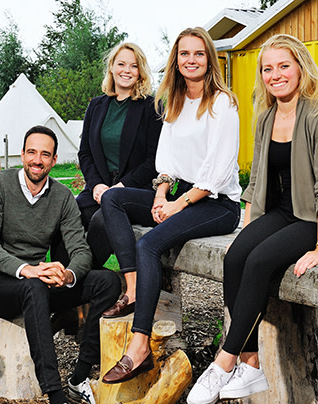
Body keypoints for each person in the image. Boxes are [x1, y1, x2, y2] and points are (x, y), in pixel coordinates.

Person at [185, 34, 318, 403]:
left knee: (258, 262)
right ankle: (251, 364)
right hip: (283, 213)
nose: (275, 75)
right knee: (236, 257)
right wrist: (247, 229)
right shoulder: (267, 117)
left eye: (284, 66)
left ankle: (224, 362)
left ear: (301, 68)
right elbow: (256, 181)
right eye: (267, 69)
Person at [100, 27, 242, 384]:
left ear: (209, 60)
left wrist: (178, 205)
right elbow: (166, 162)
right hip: (181, 195)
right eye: (184, 54)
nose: (191, 60)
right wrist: (161, 195)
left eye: (198, 54)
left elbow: (217, 171)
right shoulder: (175, 102)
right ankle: (133, 286)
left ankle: (139, 346)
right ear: (176, 61)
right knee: (114, 197)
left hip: (217, 204)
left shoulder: (222, 103)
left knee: (149, 244)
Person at [0, 126, 120, 404]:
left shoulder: (62, 196)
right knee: (34, 287)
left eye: (44, 154)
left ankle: (79, 376)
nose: (36, 160)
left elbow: (80, 249)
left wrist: (68, 275)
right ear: (22, 155)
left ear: (54, 160)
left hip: (37, 282)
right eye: (31, 152)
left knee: (107, 282)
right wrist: (27, 270)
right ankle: (54, 393)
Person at [72, 41, 162, 275]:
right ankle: (61, 275)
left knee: (101, 220)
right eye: (121, 64)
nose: (126, 70)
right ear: (111, 67)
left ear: (140, 71)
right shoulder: (96, 106)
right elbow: (85, 153)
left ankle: (80, 277)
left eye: (133, 66)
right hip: (100, 187)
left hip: (134, 191)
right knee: (68, 213)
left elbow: (154, 160)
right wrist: (95, 185)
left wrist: (121, 187)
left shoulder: (151, 107)